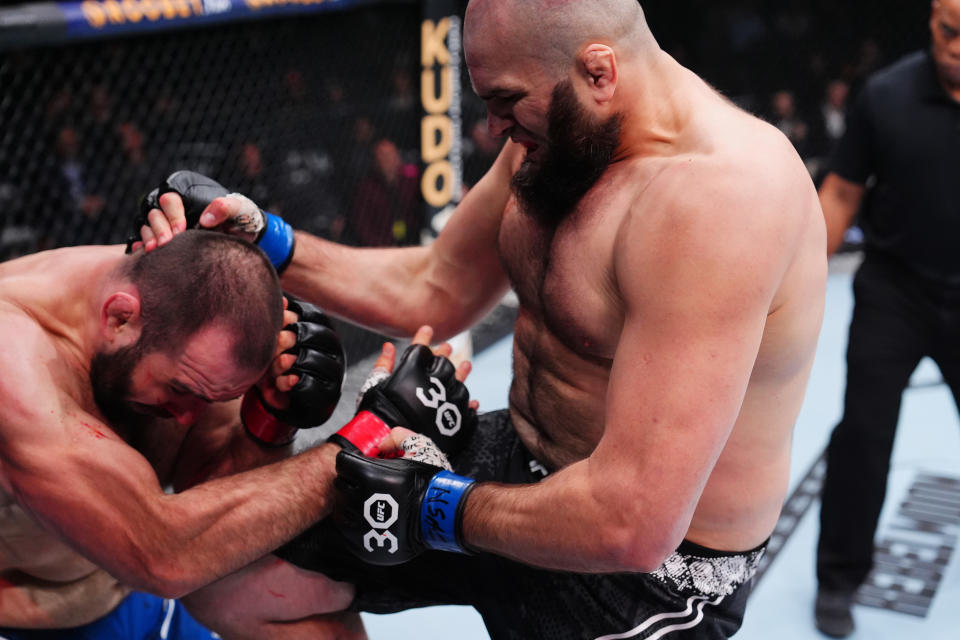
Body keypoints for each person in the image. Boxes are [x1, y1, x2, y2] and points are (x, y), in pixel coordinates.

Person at [135, 1, 827, 638]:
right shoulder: (558, 135)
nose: (492, 127)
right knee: (234, 575)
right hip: (519, 465)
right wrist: (266, 236)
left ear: (598, 70)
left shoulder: (721, 201)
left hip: (652, 576)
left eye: (505, 102)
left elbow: (632, 522)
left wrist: (437, 507)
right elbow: (434, 285)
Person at [0, 228, 475, 638]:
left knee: (274, 584)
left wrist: (269, 419)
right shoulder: (15, 368)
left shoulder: (182, 298)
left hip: (123, 591)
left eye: (207, 398)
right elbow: (162, 554)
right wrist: (370, 436)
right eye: (181, 388)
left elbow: (208, 496)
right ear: (119, 318)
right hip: (29, 614)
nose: (187, 415)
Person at [813, 1, 960, 636]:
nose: (958, 46)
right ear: (931, 19)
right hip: (894, 290)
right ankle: (839, 579)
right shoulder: (886, 95)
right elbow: (842, 192)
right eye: (950, 31)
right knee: (864, 438)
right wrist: (785, 282)